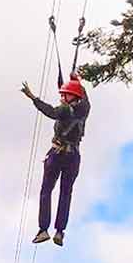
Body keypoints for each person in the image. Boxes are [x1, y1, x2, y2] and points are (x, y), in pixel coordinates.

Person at [19, 69, 90, 246]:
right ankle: (60, 231)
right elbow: (82, 95)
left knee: (46, 191)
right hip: (73, 156)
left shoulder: (64, 110)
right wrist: (76, 81)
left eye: (64, 95)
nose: (62, 98)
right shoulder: (84, 108)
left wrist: (33, 98)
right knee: (66, 193)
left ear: (70, 97)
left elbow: (51, 111)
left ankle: (43, 229)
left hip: (57, 154)